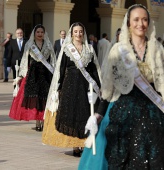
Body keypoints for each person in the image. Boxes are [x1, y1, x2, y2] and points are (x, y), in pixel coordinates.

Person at [79, 4, 164, 169]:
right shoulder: (118, 50)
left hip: (153, 112)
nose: (141, 24)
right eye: (136, 19)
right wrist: (98, 114)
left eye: (145, 19)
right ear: (128, 23)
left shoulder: (158, 49)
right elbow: (108, 87)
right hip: (124, 112)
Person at [42, 22, 101, 157]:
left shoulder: (90, 49)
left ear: (83, 33)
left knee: (84, 114)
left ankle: (83, 142)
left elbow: (94, 69)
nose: (78, 34)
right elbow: (61, 69)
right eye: (76, 32)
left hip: (86, 85)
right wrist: (58, 87)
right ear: (71, 33)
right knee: (72, 114)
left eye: (81, 31)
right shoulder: (67, 49)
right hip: (70, 86)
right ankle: (75, 145)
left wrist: (98, 85)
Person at [9, 24, 56, 131]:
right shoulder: (29, 44)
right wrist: (21, 75)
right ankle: (38, 122)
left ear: (44, 34)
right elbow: (25, 59)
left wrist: (55, 73)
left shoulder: (48, 45)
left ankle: (44, 121)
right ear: (34, 33)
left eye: (41, 32)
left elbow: (53, 59)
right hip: (33, 74)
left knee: (44, 97)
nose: (40, 34)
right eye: (38, 32)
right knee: (35, 97)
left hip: (45, 73)